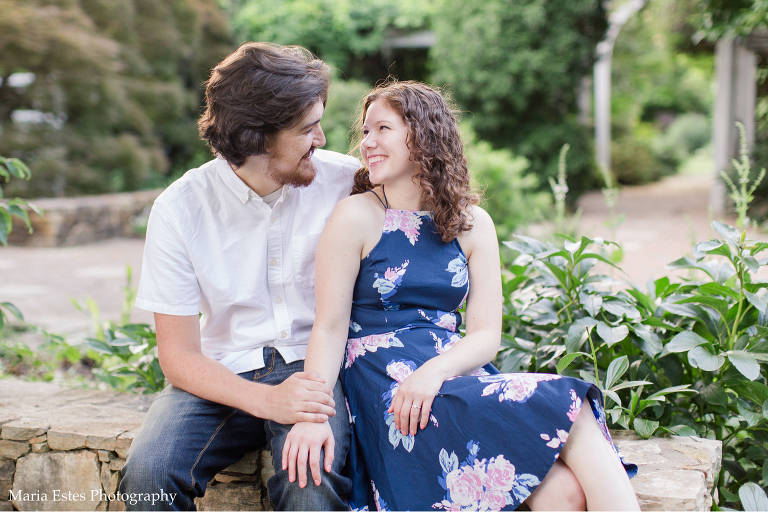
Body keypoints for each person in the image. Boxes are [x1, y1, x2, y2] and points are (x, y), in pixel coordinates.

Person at [281, 80, 640, 511]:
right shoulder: (356, 216)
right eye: (365, 132)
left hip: (450, 375)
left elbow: (487, 334)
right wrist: (313, 415)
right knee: (573, 404)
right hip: (388, 389)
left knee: (564, 491)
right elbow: (330, 325)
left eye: (382, 129)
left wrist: (434, 372)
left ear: (423, 134)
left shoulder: (473, 223)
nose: (367, 143)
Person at [119, 42, 360, 511]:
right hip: (223, 374)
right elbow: (179, 355)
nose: (324, 139)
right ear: (256, 138)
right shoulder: (179, 209)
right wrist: (265, 401)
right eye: (308, 129)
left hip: (316, 368)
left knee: (309, 480)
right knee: (148, 476)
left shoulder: (347, 183)